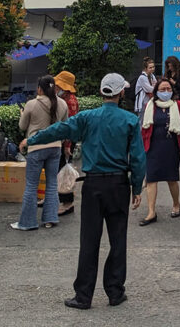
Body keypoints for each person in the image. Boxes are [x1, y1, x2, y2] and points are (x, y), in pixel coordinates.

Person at [23, 72, 146, 310]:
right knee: (118, 240)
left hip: (92, 185)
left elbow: (60, 129)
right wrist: (137, 186)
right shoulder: (130, 120)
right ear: (121, 93)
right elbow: (139, 158)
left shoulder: (88, 118)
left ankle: (83, 296)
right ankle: (115, 292)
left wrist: (34, 139)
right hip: (119, 185)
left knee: (89, 240)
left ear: (102, 93)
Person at [13, 75, 69, 231]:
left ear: (39, 89)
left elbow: (23, 127)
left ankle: (28, 222)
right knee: (52, 184)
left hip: (36, 148)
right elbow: (65, 127)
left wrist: (22, 114)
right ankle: (50, 219)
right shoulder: (63, 104)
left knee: (31, 185)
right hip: (55, 148)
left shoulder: (31, 104)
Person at [139, 78, 180, 225]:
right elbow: (144, 128)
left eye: (168, 89)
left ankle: (176, 204)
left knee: (171, 178)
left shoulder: (178, 105)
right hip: (153, 147)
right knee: (151, 178)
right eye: (162, 90)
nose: (166, 92)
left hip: (171, 146)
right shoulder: (150, 106)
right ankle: (151, 212)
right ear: (156, 91)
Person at [54, 70, 79, 217]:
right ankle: (60, 200)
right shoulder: (64, 99)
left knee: (64, 173)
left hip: (67, 140)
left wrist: (67, 145)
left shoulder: (70, 101)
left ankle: (67, 203)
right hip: (64, 139)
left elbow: (71, 125)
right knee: (59, 171)